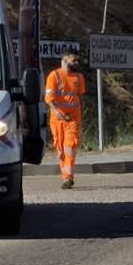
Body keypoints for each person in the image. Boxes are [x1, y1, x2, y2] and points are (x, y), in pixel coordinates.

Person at [45, 52, 87, 189]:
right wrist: (57, 111)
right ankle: (65, 176)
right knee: (61, 149)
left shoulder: (79, 77)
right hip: (57, 120)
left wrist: (81, 115)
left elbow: (80, 98)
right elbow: (49, 98)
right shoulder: (54, 76)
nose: (76, 63)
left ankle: (68, 178)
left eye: (77, 60)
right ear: (64, 60)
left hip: (74, 119)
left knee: (70, 146)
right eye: (73, 60)